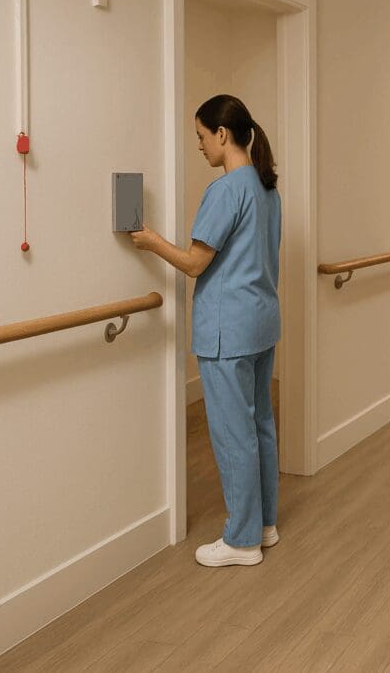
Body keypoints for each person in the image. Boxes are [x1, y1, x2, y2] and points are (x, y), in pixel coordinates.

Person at [131, 94, 281, 568]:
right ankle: (265, 524)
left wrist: (151, 241)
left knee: (234, 434)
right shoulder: (267, 188)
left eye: (200, 136)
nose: (199, 145)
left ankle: (242, 541)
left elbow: (196, 263)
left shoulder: (226, 190)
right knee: (260, 426)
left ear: (222, 134)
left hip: (227, 330)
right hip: (260, 322)